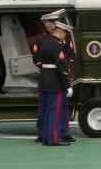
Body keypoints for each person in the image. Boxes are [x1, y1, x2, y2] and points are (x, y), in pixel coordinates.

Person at [33, 15, 75, 144]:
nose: (64, 38)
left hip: (45, 80)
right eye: (64, 34)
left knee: (50, 111)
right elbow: (61, 67)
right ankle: (53, 139)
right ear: (61, 32)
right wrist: (67, 85)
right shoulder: (56, 45)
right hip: (55, 82)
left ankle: (47, 137)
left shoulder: (46, 42)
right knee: (54, 112)